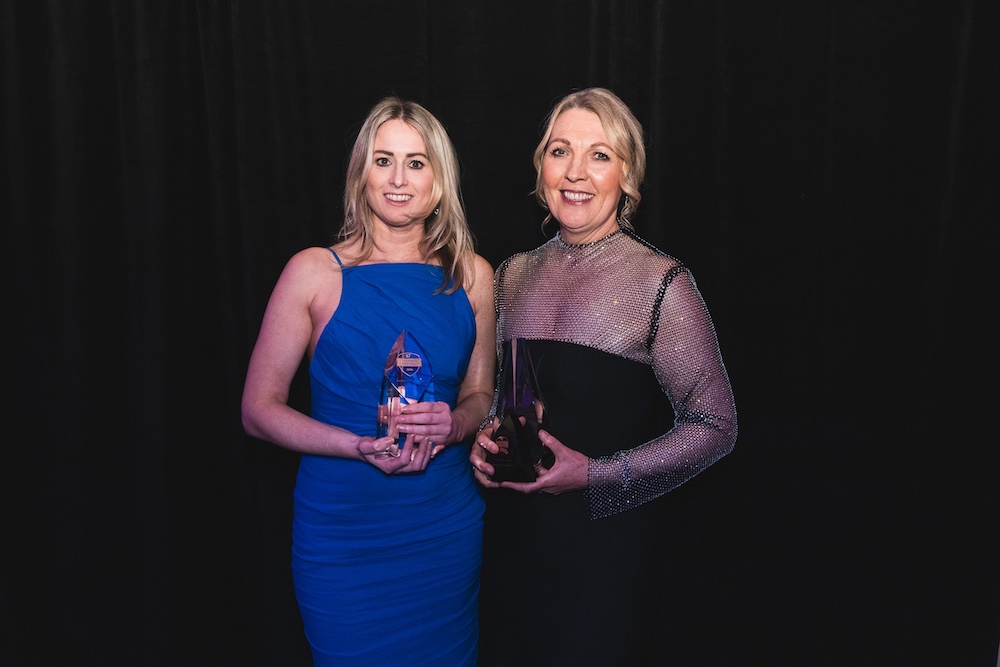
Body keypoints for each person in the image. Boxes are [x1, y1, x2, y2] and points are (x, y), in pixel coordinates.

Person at [471, 87, 738, 666]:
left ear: (627, 174)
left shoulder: (660, 283)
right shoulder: (513, 274)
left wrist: (596, 472)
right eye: (559, 150)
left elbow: (716, 424)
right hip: (514, 549)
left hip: (603, 561)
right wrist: (487, 437)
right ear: (541, 165)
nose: (575, 172)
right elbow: (506, 398)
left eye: (598, 154)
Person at [242, 97, 495, 666]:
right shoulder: (313, 271)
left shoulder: (472, 275)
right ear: (362, 172)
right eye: (384, 160)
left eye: (416, 161)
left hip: (442, 527)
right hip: (342, 529)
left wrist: (455, 422)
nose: (398, 179)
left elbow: (481, 395)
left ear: (439, 178)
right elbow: (258, 409)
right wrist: (353, 445)